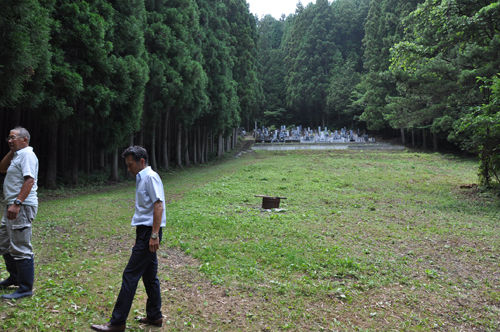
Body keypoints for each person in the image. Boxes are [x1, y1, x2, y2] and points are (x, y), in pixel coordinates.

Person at [91, 146, 167, 332]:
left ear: (142, 161)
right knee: (149, 276)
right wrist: (141, 236)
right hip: (144, 231)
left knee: (130, 275)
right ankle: (155, 316)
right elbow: (145, 211)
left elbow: (158, 206)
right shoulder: (141, 179)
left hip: (150, 232)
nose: (128, 169)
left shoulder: (150, 177)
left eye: (130, 164)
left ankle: (117, 323)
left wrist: (154, 235)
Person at [0, 127, 38, 299]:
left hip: (20, 206)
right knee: (4, 243)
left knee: (21, 247)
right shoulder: (18, 155)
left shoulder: (27, 155)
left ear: (25, 140)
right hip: (11, 205)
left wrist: (17, 203)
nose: (9, 140)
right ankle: (14, 278)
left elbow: (29, 180)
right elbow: (2, 168)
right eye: (8, 137)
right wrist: (12, 150)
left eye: (13, 137)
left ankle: (25, 288)